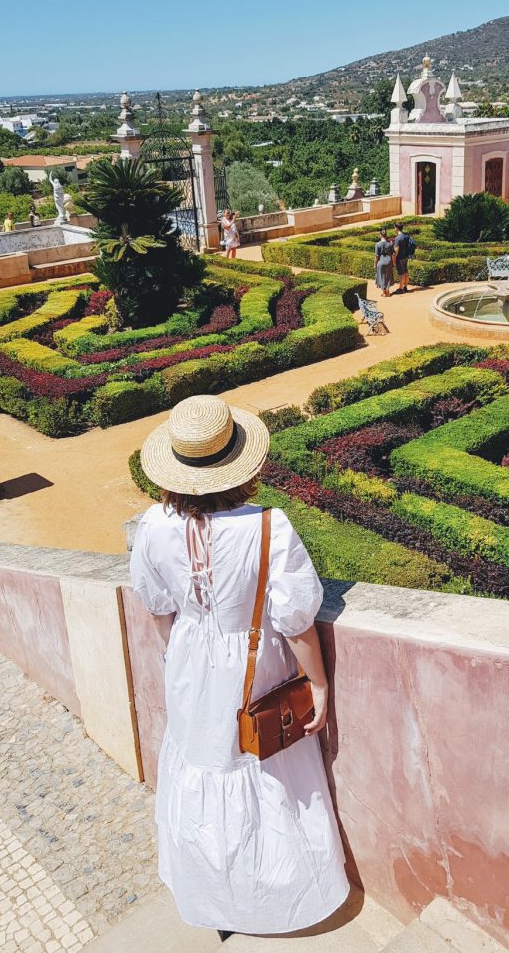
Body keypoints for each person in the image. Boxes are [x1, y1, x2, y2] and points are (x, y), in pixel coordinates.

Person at [130, 395, 349, 943]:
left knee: (203, 767)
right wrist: (318, 684)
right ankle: (272, 895)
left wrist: (181, 660)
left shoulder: (153, 525)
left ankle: (213, 892)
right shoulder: (269, 527)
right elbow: (296, 619)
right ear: (239, 464)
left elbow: (160, 608)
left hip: (188, 660)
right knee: (265, 771)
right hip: (257, 664)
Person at [374, 227, 394, 297]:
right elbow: (392, 254)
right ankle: (388, 291)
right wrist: (393, 263)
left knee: (381, 276)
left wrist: (375, 264)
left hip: (381, 262)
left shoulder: (377, 244)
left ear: (380, 235)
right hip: (389, 261)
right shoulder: (390, 243)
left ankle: (384, 292)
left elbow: (376, 256)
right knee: (388, 277)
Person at [393, 222, 410, 294]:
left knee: (401, 274)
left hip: (399, 258)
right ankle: (405, 287)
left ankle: (400, 288)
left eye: (394, 227)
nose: (394, 229)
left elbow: (396, 250)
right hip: (405, 257)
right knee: (406, 272)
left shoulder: (398, 238)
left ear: (397, 228)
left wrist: (394, 259)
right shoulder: (405, 236)